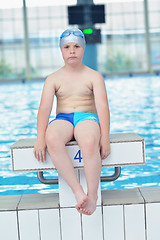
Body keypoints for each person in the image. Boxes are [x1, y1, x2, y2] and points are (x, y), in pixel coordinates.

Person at [34, 28, 110, 216]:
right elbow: (44, 109)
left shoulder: (94, 76)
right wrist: (39, 138)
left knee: (89, 141)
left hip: (87, 117)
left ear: (83, 49)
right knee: (52, 138)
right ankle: (78, 191)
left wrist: (105, 138)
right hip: (63, 118)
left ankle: (92, 196)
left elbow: (103, 108)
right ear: (61, 51)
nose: (72, 51)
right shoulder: (53, 78)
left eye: (76, 46)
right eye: (67, 47)